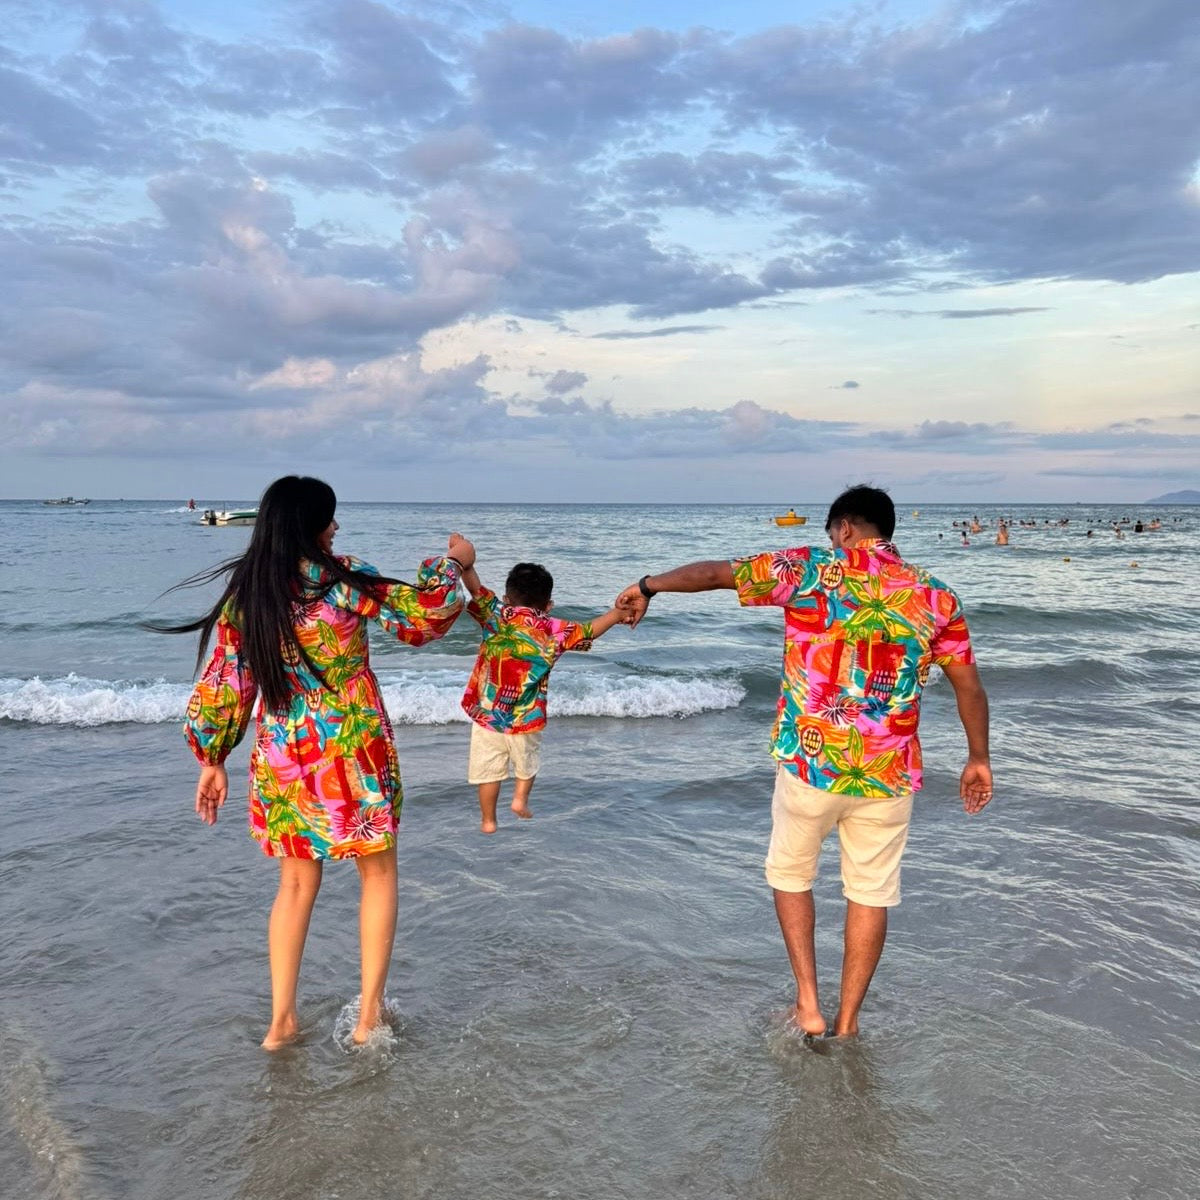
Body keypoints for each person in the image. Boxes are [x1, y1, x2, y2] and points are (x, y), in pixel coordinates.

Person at [614, 485, 991, 1038]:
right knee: (870, 894)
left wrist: (648, 585)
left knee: (791, 876)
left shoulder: (813, 569)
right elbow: (969, 687)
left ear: (844, 528)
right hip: (888, 772)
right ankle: (848, 1021)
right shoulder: (937, 596)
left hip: (811, 764)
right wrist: (978, 757)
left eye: (832, 533)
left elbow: (716, 574)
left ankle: (809, 1004)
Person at [154, 476, 473, 1049]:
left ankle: (282, 1021)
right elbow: (427, 617)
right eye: (330, 518)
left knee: (296, 884)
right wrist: (453, 563)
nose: (336, 527)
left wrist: (213, 758)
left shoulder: (248, 592)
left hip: (285, 751)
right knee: (377, 873)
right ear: (310, 526)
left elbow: (227, 683)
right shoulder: (341, 578)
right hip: (353, 746)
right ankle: (368, 1018)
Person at [460, 561, 629, 833]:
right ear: (548, 605)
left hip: (487, 715)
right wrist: (617, 614)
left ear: (507, 598)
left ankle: (488, 820)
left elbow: (475, 589)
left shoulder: (496, 613)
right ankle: (519, 799)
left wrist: (466, 565)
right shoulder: (553, 628)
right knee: (527, 763)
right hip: (527, 717)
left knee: (488, 771)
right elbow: (589, 630)